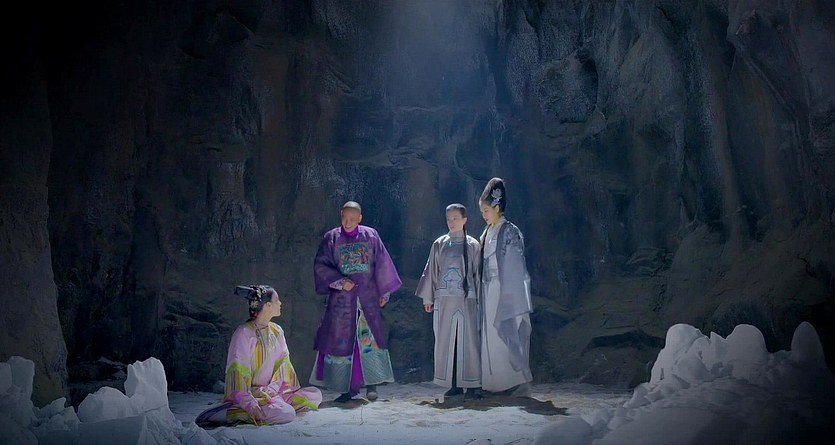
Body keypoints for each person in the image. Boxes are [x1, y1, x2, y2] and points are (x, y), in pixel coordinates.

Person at [310, 201, 402, 402]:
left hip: (367, 299)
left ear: (360, 218)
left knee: (369, 340)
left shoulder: (371, 236)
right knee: (342, 343)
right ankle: (345, 389)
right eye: (345, 218)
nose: (348, 222)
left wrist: (384, 292)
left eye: (353, 219)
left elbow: (382, 263)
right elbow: (321, 265)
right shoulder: (331, 238)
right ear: (341, 215)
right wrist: (340, 281)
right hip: (341, 303)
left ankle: (372, 384)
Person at [196, 285, 322, 426]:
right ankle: (228, 414)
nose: (280, 303)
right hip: (251, 392)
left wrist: (272, 389)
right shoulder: (244, 333)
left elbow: (283, 366)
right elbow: (238, 371)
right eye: (277, 300)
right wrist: (248, 402)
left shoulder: (277, 331)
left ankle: (273, 406)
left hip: (272, 390)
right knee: (286, 413)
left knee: (314, 394)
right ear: (268, 305)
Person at [416, 203, 482, 398]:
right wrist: (428, 298)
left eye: (456, 218)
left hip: (467, 299)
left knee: (469, 340)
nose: (452, 222)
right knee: (447, 340)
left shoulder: (473, 244)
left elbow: (478, 274)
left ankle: (472, 384)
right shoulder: (440, 243)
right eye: (449, 219)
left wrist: (481, 298)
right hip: (444, 300)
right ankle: (454, 384)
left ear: (464, 220)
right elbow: (431, 271)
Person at [478, 178, 533, 395]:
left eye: (486, 211)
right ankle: (494, 383)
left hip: (504, 287)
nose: (484, 215)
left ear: (497, 207)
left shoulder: (509, 231)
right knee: (490, 335)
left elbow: (515, 265)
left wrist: (508, 291)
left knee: (504, 331)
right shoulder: (487, 232)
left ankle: (512, 381)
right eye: (482, 212)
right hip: (488, 287)